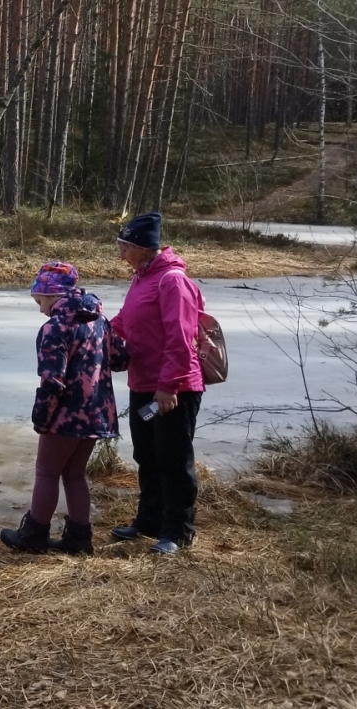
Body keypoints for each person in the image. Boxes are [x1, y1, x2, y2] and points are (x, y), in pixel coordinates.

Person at [0, 262, 128, 555]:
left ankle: (34, 535)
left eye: (40, 301)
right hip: (98, 413)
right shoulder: (100, 321)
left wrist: (42, 416)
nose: (40, 309)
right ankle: (79, 540)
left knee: (46, 471)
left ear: (53, 295)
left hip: (66, 414)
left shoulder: (55, 328)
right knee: (74, 474)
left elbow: (52, 380)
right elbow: (121, 359)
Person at [109, 212, 206, 555]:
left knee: (173, 458)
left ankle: (178, 531)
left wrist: (168, 386)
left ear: (141, 247)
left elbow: (181, 337)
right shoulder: (141, 277)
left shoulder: (172, 281)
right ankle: (148, 521)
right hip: (143, 384)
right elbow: (126, 320)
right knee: (146, 454)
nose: (120, 253)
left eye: (124, 246)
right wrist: (98, 334)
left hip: (173, 390)